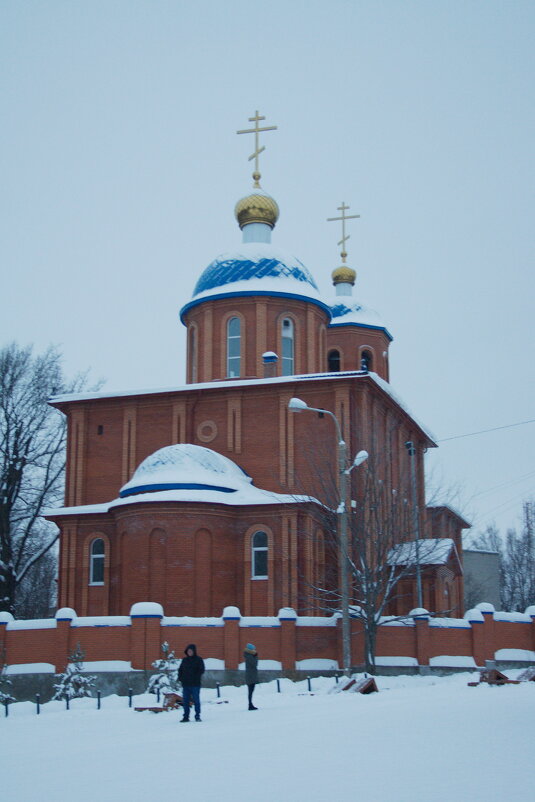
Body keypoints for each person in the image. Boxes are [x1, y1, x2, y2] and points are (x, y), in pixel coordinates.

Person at [178, 643, 205, 722]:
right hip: (186, 684)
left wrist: (195, 677)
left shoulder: (199, 660)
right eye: (188, 651)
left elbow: (201, 670)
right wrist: (181, 678)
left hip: (195, 684)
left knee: (196, 700)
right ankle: (186, 716)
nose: (189, 652)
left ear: (194, 651)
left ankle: (197, 716)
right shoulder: (184, 660)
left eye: (191, 651)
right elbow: (180, 670)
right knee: (185, 701)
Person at [244, 643, 258, 710]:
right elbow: (254, 664)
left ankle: (250, 704)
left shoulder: (248, 655)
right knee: (250, 691)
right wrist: (255, 656)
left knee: (251, 691)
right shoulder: (249, 656)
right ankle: (250, 705)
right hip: (250, 676)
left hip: (251, 675)